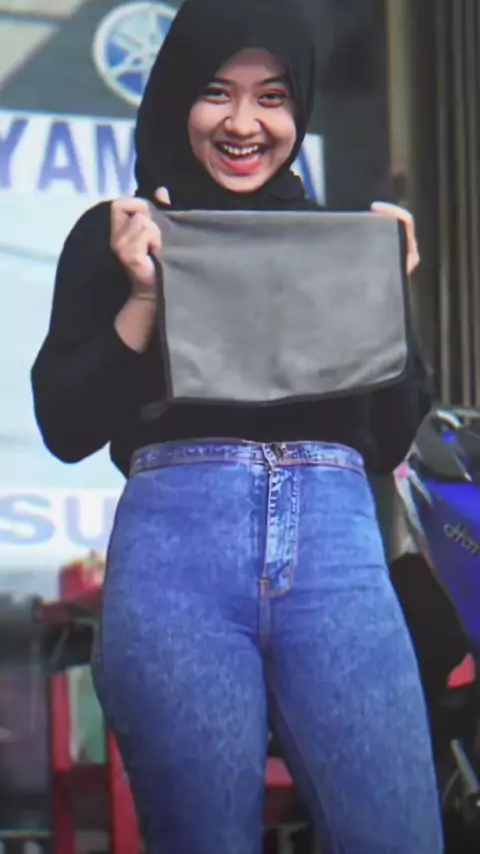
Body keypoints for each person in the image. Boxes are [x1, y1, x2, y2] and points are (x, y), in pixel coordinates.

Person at [31, 0, 443, 852]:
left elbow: (391, 436)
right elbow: (65, 425)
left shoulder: (342, 241)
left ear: (301, 109)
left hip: (337, 565)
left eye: (273, 97)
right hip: (177, 571)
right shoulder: (122, 236)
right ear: (176, 94)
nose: (245, 123)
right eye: (217, 92)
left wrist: (383, 300)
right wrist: (143, 298)